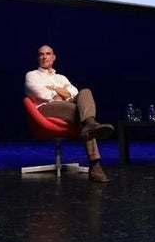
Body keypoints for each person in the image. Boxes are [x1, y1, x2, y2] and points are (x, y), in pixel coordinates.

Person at [25, 45, 114, 182]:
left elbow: (74, 93)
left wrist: (55, 89)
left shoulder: (61, 77)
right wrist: (60, 91)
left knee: (85, 92)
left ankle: (89, 124)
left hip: (65, 106)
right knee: (79, 112)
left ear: (53, 57)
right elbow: (43, 94)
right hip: (46, 110)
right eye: (41, 54)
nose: (44, 57)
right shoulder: (32, 75)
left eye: (48, 54)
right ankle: (95, 164)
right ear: (38, 58)